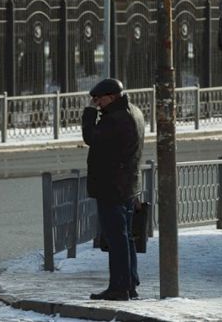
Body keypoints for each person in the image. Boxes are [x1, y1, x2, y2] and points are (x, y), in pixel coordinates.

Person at [81, 78, 145, 301]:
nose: (97, 103)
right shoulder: (134, 112)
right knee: (126, 237)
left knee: (116, 239)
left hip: (112, 186)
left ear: (112, 96)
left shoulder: (115, 119)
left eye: (99, 99)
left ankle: (119, 288)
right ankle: (130, 284)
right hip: (127, 185)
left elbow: (91, 137)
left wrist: (89, 114)